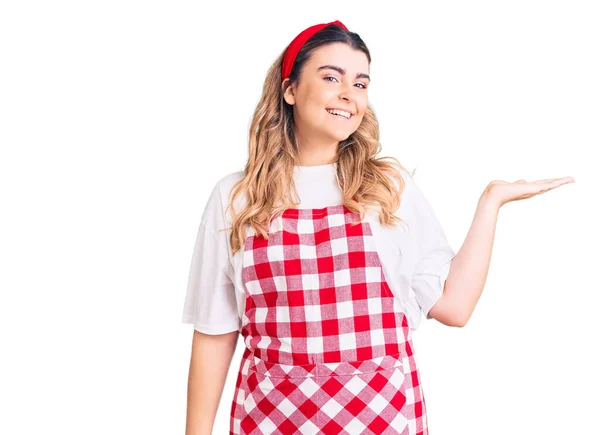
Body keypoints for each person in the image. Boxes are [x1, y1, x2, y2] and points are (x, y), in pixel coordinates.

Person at [182, 20, 574, 435]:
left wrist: (491, 201)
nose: (348, 94)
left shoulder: (387, 188)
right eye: (331, 77)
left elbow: (454, 308)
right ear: (290, 89)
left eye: (361, 82)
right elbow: (214, 332)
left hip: (382, 418)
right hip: (271, 421)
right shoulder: (236, 198)